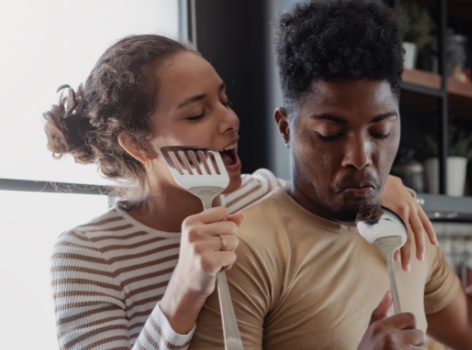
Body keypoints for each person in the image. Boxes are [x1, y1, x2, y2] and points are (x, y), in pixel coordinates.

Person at [189, 0, 472, 349]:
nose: (360, 156)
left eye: (381, 131)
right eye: (330, 133)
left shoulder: (402, 227)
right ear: (285, 127)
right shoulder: (245, 251)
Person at [45, 34, 436, 350]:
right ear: (138, 145)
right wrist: (183, 290)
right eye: (197, 114)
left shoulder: (262, 194)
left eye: (224, 100)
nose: (230, 120)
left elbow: (335, 194)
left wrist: (383, 187)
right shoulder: (87, 254)